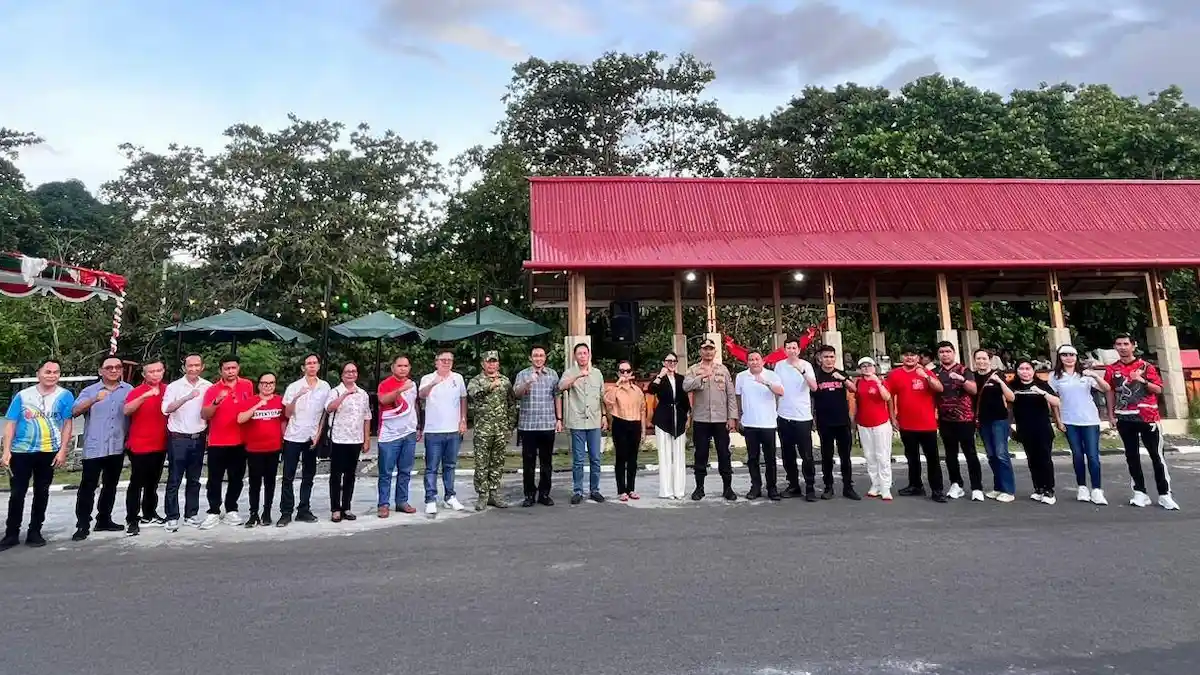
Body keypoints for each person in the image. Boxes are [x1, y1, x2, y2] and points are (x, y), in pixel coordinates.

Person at [1, 359, 75, 549]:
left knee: (42, 492)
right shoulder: (23, 396)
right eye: (48, 372)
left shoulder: (65, 396)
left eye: (56, 372)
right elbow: (10, 423)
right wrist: (6, 451)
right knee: (17, 493)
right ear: (38, 374)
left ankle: (35, 531)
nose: (52, 375)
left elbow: (67, 424)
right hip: (21, 452)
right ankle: (11, 533)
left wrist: (62, 451)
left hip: (48, 451)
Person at [1105, 334, 1178, 510]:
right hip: (1124, 417)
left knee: (1156, 456)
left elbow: (1158, 389)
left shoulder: (1146, 366)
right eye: (1119, 344)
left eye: (1126, 344)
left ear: (1133, 346)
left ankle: (1164, 494)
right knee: (1131, 456)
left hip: (1147, 417)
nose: (1122, 347)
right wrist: (1110, 415)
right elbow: (1110, 392)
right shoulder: (1112, 369)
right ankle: (1139, 492)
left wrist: (1142, 380)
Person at [71, 356, 134, 541]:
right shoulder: (90, 390)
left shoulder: (128, 390)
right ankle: (82, 524)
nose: (113, 370)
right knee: (88, 486)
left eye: (117, 367)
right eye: (109, 367)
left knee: (110, 486)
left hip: (116, 446)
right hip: (94, 447)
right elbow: (74, 411)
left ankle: (104, 519)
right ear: (101, 371)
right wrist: (93, 400)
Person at [1048, 345, 1110, 505]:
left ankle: (1097, 489)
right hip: (1069, 420)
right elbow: (1053, 401)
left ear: (1076, 357)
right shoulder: (1054, 376)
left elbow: (1106, 388)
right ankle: (1082, 487)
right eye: (1064, 355)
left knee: (1092, 456)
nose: (1068, 358)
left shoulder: (1085, 374)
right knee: (1077, 455)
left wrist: (1095, 376)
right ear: (1059, 358)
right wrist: (1058, 420)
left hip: (1089, 420)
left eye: (1071, 355)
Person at [198, 355, 254, 529]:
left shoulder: (247, 385)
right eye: (227, 368)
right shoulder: (212, 389)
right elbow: (205, 414)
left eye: (233, 368)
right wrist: (216, 402)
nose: (230, 371)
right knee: (214, 479)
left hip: (240, 440)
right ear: (220, 370)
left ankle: (231, 509)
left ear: (238, 368)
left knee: (236, 478)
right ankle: (213, 511)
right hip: (217, 441)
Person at [886, 346, 946, 502]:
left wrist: (925, 376)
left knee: (932, 458)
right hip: (906, 423)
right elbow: (889, 397)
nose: (909, 358)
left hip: (927, 424)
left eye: (913, 355)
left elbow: (939, 388)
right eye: (906, 355)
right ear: (902, 357)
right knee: (912, 457)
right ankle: (915, 485)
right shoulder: (895, 374)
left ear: (918, 358)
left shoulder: (925, 372)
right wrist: (892, 417)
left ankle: (937, 490)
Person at [682, 338, 738, 501]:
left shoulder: (723, 370)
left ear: (715, 352)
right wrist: (702, 377)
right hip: (701, 419)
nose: (708, 352)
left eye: (711, 349)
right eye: (705, 349)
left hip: (721, 419)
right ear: (701, 351)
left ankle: (727, 488)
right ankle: (699, 488)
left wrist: (732, 417)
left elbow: (730, 395)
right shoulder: (693, 369)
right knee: (700, 454)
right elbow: (686, 387)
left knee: (724, 454)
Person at [161, 354, 211, 531]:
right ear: (184, 367)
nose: (194, 369)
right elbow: (166, 409)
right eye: (190, 366)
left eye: (197, 365)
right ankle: (172, 516)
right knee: (174, 478)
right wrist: (187, 397)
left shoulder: (207, 386)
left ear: (202, 367)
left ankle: (191, 514)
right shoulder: (174, 387)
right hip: (178, 439)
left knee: (194, 479)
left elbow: (210, 412)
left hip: (198, 437)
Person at [278, 354, 330, 527]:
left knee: (309, 475)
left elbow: (324, 413)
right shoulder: (294, 387)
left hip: (311, 437)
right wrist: (297, 397)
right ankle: (286, 512)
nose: (312, 366)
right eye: (308, 363)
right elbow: (286, 413)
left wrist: (319, 434)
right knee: (288, 476)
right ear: (303, 367)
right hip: (293, 435)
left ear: (319, 366)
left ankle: (304, 509)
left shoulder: (325, 386)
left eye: (315, 363)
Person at [931, 341, 983, 501]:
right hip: (946, 419)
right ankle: (956, 484)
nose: (945, 354)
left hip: (965, 418)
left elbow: (974, 390)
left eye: (948, 351)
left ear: (954, 353)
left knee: (970, 453)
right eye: (941, 352)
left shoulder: (964, 370)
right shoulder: (935, 372)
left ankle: (976, 487)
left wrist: (961, 379)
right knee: (950, 454)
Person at [123, 360, 169, 535]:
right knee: (137, 483)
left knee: (153, 482)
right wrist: (145, 396)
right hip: (139, 445)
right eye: (151, 372)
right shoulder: (136, 391)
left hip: (161, 443)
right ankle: (132, 519)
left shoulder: (168, 390)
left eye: (159, 371)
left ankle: (149, 512)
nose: (155, 374)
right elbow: (127, 410)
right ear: (144, 375)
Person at [419, 351, 468, 515]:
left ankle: (450, 496)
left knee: (450, 466)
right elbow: (421, 395)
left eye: (449, 360)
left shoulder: (458, 378)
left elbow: (463, 398)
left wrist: (463, 419)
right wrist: (434, 382)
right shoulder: (427, 378)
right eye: (443, 360)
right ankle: (430, 498)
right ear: (436, 362)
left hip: (453, 430)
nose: (446, 363)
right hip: (433, 430)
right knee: (431, 467)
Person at [512, 346, 561, 507]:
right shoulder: (523, 374)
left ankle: (544, 494)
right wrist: (528, 382)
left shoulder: (552, 374)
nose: (538, 358)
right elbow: (516, 394)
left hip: (547, 423)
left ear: (545, 358)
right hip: (528, 425)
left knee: (546, 461)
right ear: (530, 358)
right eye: (535, 356)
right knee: (528, 461)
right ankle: (529, 494)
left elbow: (557, 396)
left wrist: (559, 418)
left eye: (541, 355)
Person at [559, 343, 607, 505]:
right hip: (577, 422)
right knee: (578, 460)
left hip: (594, 421)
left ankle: (595, 490)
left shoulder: (597, 374)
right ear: (575, 356)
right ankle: (578, 490)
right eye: (579, 353)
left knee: (595, 458)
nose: (582, 356)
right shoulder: (569, 373)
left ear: (589, 355)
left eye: (585, 353)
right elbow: (561, 387)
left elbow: (602, 397)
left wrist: (605, 416)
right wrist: (578, 376)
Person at [467, 351, 514, 511]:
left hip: (500, 430)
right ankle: (482, 495)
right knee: (481, 464)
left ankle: (494, 493)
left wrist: (510, 426)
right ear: (483, 364)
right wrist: (489, 387)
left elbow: (511, 404)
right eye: (489, 362)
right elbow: (473, 395)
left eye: (494, 362)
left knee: (497, 463)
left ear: (498, 364)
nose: (491, 365)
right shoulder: (476, 381)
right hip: (483, 430)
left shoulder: (505, 381)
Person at [735, 351, 785, 501]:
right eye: (751, 359)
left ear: (762, 361)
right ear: (747, 362)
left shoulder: (771, 375)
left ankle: (772, 488)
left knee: (770, 458)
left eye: (757, 359)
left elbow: (781, 392)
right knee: (752, 458)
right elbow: (738, 398)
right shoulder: (741, 377)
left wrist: (766, 382)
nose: (754, 362)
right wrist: (738, 417)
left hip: (768, 423)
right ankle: (755, 486)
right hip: (750, 423)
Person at [325, 362, 372, 522]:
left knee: (350, 475)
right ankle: (335, 508)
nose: (351, 374)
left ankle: (347, 506)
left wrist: (366, 440)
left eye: (353, 371)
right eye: (347, 372)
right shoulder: (335, 391)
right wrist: (345, 394)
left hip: (355, 439)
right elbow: (329, 408)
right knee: (336, 475)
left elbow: (367, 417)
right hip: (338, 438)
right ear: (342, 374)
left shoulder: (363, 394)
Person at [772, 337, 817, 500]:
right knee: (787, 454)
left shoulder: (806, 365)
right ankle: (793, 485)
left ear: (799, 350)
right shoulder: (779, 366)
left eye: (794, 348)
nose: (792, 350)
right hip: (784, 416)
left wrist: (802, 371)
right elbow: (777, 387)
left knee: (806, 454)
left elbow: (814, 387)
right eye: (788, 348)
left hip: (802, 417)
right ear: (785, 350)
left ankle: (810, 487)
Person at [1010, 360, 1061, 504]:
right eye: (1021, 369)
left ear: (1033, 371)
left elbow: (1056, 402)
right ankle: (1038, 488)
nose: (1025, 371)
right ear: (1017, 371)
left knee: (1044, 459)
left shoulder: (1042, 385)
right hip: (1024, 428)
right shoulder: (1014, 386)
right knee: (1032, 459)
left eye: (1028, 368)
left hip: (1042, 428)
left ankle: (1049, 490)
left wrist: (1042, 393)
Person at [238, 372, 286, 527]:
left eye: (271, 383)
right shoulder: (251, 400)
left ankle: (267, 512)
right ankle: (253, 513)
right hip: (254, 449)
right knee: (255, 483)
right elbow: (240, 419)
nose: (268, 386)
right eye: (264, 383)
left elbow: (285, 421)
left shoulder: (280, 401)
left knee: (270, 482)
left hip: (273, 448)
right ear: (259, 385)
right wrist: (258, 405)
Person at [812, 345, 859, 500]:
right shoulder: (816, 375)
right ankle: (828, 487)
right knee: (827, 456)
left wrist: (843, 379)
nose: (829, 360)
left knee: (845, 456)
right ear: (820, 359)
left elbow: (854, 390)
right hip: (825, 422)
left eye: (832, 357)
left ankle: (848, 487)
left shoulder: (841, 373)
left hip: (842, 422)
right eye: (826, 357)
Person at [376, 355, 419, 518]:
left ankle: (401, 501)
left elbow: (414, 404)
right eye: (399, 365)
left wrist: (418, 425)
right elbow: (383, 399)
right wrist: (400, 389)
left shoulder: (413, 384)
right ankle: (383, 504)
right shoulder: (385, 384)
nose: (403, 368)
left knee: (405, 470)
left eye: (406, 366)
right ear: (393, 367)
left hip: (409, 433)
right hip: (389, 435)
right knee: (386, 472)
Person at [971, 348, 1016, 502]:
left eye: (984, 358)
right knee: (991, 455)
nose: (981, 362)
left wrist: (1000, 382)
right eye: (978, 359)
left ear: (990, 360)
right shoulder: (973, 376)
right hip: (983, 421)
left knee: (1001, 454)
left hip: (999, 419)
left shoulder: (999, 375)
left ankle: (1008, 490)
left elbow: (1011, 397)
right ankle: (998, 487)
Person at [649, 352, 689, 500]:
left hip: (678, 418)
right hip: (663, 419)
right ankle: (666, 491)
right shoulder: (659, 379)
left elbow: (685, 401)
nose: (671, 363)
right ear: (664, 363)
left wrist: (687, 417)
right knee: (665, 455)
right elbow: (651, 390)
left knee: (679, 456)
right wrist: (661, 375)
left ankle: (679, 490)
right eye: (668, 361)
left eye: (674, 361)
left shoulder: (681, 379)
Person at [604, 360, 645, 501]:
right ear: (618, 373)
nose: (625, 374)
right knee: (621, 457)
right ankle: (621, 490)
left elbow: (642, 410)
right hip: (620, 423)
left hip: (635, 423)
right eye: (622, 371)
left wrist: (644, 430)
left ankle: (631, 488)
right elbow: (608, 401)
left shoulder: (637, 391)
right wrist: (617, 384)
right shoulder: (613, 389)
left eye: (628, 371)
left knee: (633, 459)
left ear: (632, 373)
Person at [854, 357, 893, 500]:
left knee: (882, 455)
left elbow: (887, 397)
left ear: (874, 367)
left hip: (880, 423)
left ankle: (885, 486)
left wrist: (877, 382)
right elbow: (857, 401)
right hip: (864, 423)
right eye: (863, 366)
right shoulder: (858, 382)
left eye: (869, 365)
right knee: (870, 456)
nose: (866, 368)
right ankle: (875, 484)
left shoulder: (881, 381)